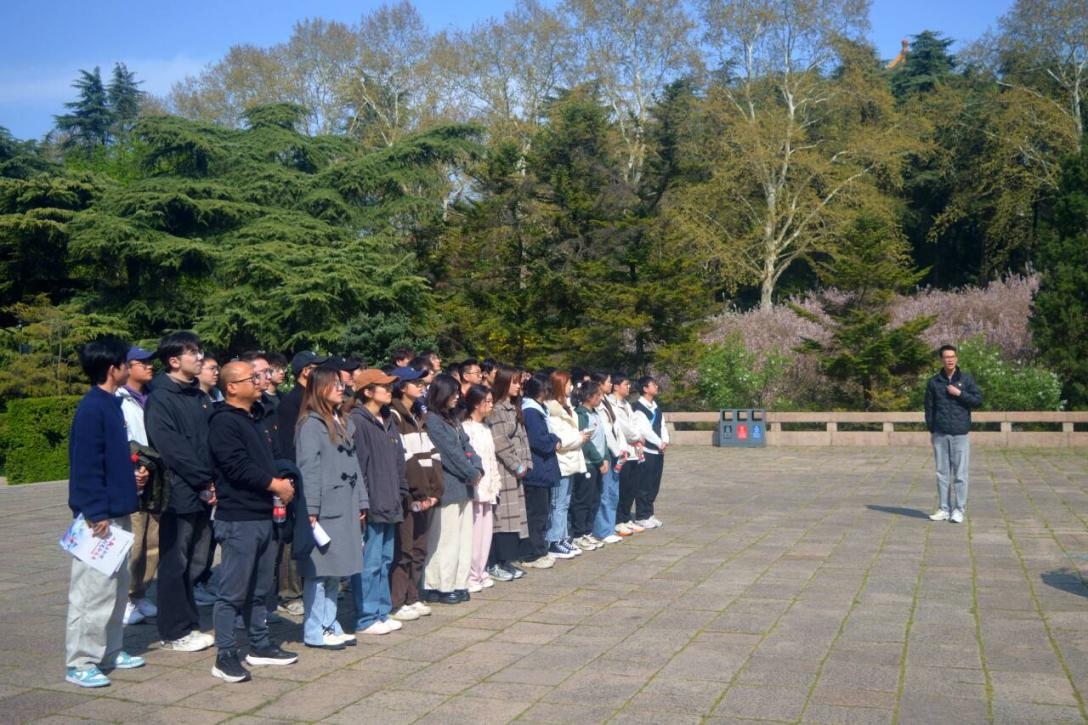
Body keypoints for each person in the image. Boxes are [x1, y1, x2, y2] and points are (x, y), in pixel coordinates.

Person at [207, 361, 299, 683]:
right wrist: (274, 485)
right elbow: (236, 466)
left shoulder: (257, 417)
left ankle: (259, 645)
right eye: (252, 378)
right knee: (232, 591)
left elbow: (269, 459)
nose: (260, 381)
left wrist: (284, 478)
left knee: (260, 589)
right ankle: (225, 654)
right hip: (239, 518)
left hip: (264, 514)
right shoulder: (223, 421)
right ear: (232, 387)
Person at [64, 336, 147, 688]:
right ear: (113, 369)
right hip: (99, 517)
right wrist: (94, 511)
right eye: (126, 363)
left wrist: (131, 477)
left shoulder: (111, 404)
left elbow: (111, 459)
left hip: (118, 511)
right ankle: (80, 661)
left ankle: (111, 650)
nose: (130, 368)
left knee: (116, 589)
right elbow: (85, 466)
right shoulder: (92, 408)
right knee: (92, 593)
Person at [145, 331, 215, 653]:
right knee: (175, 562)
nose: (199, 357)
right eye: (193, 353)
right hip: (179, 492)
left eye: (200, 351)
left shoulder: (197, 395)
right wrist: (203, 479)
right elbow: (172, 448)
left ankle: (189, 622)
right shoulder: (162, 397)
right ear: (174, 361)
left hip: (203, 490)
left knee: (196, 561)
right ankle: (174, 630)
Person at [296, 366, 368, 649]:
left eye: (341, 383)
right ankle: (316, 629)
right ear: (319, 388)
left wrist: (362, 499)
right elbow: (309, 470)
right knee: (320, 571)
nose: (341, 388)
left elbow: (354, 465)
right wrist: (311, 508)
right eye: (334, 384)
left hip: (345, 504)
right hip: (325, 507)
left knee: (336, 570)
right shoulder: (311, 425)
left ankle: (330, 622)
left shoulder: (341, 420)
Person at [349, 369, 409, 635]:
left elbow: (398, 460)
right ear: (367, 391)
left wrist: (402, 490)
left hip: (391, 500)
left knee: (385, 560)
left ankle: (381, 612)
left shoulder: (388, 419)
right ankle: (366, 617)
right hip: (372, 503)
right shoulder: (357, 421)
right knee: (370, 563)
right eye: (383, 386)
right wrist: (362, 502)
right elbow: (358, 466)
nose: (389, 390)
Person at [422, 374, 483, 604]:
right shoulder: (432, 421)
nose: (457, 397)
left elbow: (467, 446)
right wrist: (471, 472)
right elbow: (450, 454)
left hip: (464, 487)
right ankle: (438, 585)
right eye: (453, 393)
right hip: (447, 487)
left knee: (463, 540)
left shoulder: (453, 419)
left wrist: (477, 466)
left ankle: (459, 582)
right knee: (444, 540)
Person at [388, 367, 442, 621]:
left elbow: (432, 454)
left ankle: (412, 596)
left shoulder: (418, 413)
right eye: (415, 382)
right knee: (404, 548)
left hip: (426, 493)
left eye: (422, 382)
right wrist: (421, 491)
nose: (421, 386)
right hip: (410, 493)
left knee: (419, 547)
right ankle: (397, 601)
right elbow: (405, 458)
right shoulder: (395, 415)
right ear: (402, 387)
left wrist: (435, 490)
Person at [117, 346, 160, 626]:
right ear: (128, 367)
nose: (149, 366)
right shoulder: (119, 398)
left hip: (156, 472)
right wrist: (133, 469)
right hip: (134, 472)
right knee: (134, 539)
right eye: (142, 362)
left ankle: (141, 592)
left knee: (153, 539)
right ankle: (124, 598)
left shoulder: (153, 396)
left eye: (150, 362)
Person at [925, 344, 983, 523]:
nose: (950, 360)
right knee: (942, 473)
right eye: (946, 357)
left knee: (960, 474)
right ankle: (944, 509)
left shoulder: (966, 379)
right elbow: (929, 408)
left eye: (952, 356)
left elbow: (977, 400)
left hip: (960, 433)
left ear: (956, 358)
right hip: (940, 434)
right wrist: (932, 430)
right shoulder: (934, 382)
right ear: (941, 360)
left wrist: (959, 393)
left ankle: (959, 509)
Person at [486, 366, 532, 581]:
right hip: (504, 471)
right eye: (514, 382)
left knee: (515, 518)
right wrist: (517, 465)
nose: (518, 386)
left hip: (516, 471)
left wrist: (527, 462)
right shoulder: (496, 409)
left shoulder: (513, 407)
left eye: (519, 382)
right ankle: (495, 562)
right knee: (503, 518)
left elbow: (523, 437)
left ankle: (506, 561)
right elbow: (500, 442)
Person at [545, 370, 591, 559]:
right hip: (561, 462)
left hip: (571, 460)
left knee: (565, 502)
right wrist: (579, 438)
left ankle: (562, 537)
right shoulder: (551, 409)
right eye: (568, 383)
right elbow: (559, 440)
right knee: (558, 503)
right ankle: (554, 540)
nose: (571, 387)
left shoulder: (566, 406)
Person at [516, 376, 560, 570]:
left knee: (542, 513)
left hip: (543, 468)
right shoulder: (531, 411)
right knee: (536, 514)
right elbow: (538, 440)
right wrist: (554, 440)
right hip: (537, 470)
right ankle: (532, 553)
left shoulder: (538, 409)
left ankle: (540, 549)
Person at [462, 384, 501, 592]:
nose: (491, 405)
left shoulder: (486, 428)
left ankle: (480, 570)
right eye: (488, 401)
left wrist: (495, 483)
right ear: (477, 403)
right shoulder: (466, 428)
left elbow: (491, 459)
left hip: (488, 488)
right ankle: (470, 575)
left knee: (486, 534)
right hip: (475, 488)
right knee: (474, 534)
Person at [573, 381, 607, 551]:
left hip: (598, 463)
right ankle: (578, 534)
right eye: (597, 395)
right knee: (583, 500)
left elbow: (603, 438)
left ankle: (588, 531)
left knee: (594, 499)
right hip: (588, 464)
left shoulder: (596, 413)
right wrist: (599, 461)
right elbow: (586, 442)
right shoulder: (580, 414)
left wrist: (605, 458)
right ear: (588, 396)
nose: (600, 398)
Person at [592, 373, 625, 545]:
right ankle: (603, 530)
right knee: (604, 493)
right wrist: (617, 450)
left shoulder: (606, 401)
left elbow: (616, 428)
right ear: (599, 383)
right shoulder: (597, 403)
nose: (611, 384)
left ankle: (609, 527)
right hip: (608, 452)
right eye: (608, 382)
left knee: (613, 492)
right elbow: (605, 431)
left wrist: (622, 449)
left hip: (616, 452)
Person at [610, 374, 645, 536]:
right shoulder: (611, 404)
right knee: (622, 487)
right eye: (626, 384)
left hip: (634, 451)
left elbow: (635, 423)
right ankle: (618, 520)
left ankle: (626, 517)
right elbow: (623, 427)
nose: (628, 387)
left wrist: (638, 436)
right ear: (616, 386)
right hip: (623, 450)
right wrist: (637, 436)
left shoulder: (627, 404)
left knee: (632, 487)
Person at [632, 376, 668, 530]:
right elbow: (645, 430)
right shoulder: (638, 407)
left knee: (654, 484)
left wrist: (665, 440)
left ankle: (649, 513)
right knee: (644, 484)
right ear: (645, 389)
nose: (656, 386)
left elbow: (662, 425)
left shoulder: (656, 406)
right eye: (653, 384)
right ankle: (641, 515)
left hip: (658, 451)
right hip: (647, 451)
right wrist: (659, 442)